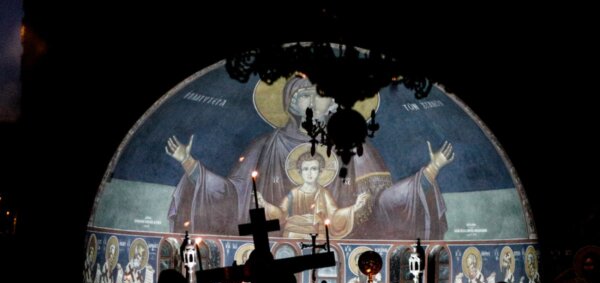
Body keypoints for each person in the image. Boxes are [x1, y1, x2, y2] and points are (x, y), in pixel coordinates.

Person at [166, 76, 455, 239]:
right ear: (291, 104)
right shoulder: (265, 147)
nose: (315, 102)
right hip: (277, 248)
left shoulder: (353, 148)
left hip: (338, 249)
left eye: (322, 95)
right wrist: (189, 163)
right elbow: (232, 197)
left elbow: (383, 204)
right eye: (306, 95)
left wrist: (430, 172)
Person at [259, 151, 369, 238]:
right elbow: (281, 215)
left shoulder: (324, 193)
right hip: (293, 234)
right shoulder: (293, 193)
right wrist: (265, 205)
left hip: (318, 236)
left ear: (320, 172)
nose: (309, 173)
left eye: (314, 169)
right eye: (305, 169)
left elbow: (334, 216)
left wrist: (354, 208)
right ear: (300, 172)